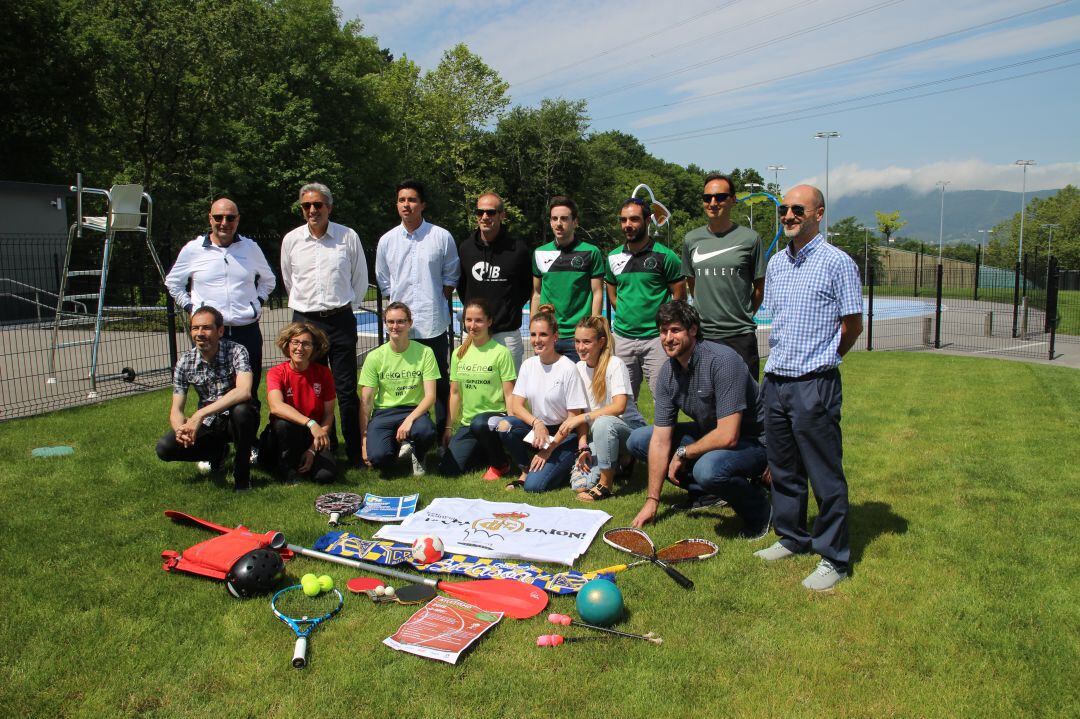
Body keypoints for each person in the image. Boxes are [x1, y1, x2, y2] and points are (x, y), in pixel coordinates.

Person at [755, 184, 863, 592]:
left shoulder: (837, 263)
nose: (788, 215)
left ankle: (834, 558)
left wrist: (829, 358)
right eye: (784, 209)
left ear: (819, 214)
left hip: (814, 382)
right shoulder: (778, 264)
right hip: (777, 380)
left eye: (797, 209)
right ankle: (792, 536)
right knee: (783, 469)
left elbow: (853, 324)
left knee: (824, 473)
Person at [628, 301, 770, 540]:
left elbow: (728, 435)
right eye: (663, 331)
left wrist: (684, 452)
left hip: (756, 441)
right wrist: (652, 500)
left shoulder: (722, 361)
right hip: (714, 434)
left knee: (708, 469)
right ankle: (708, 494)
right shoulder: (668, 374)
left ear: (693, 330)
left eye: (675, 330)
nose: (668, 338)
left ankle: (762, 512)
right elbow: (661, 440)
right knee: (639, 440)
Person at [280, 182, 368, 465]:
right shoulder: (291, 240)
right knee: (308, 389)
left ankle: (354, 453)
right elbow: (288, 280)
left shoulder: (347, 237)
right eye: (307, 205)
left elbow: (359, 279)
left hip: (340, 320)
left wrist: (345, 308)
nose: (313, 210)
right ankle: (315, 448)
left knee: (345, 391)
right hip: (306, 322)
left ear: (329, 207)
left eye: (318, 205)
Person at [165, 197, 275, 394]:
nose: (224, 223)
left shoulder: (250, 248)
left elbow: (269, 280)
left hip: (246, 330)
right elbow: (173, 282)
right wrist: (193, 309)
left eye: (230, 218)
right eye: (219, 217)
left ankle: (247, 424)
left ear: (238, 220)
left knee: (248, 392)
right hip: (211, 333)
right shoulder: (193, 249)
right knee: (212, 392)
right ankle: (210, 424)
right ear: (210, 219)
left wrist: (256, 303)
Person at [375, 179, 460, 436]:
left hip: (432, 323)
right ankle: (406, 434)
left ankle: (442, 434)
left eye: (412, 200)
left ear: (422, 204)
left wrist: (433, 299)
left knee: (439, 381)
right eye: (402, 200)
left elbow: (450, 277)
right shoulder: (387, 241)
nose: (406, 205)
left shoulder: (441, 237)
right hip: (401, 328)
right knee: (402, 382)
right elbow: (385, 282)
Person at [155, 306, 257, 491]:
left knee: (242, 411)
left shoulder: (236, 351)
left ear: (220, 330)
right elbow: (176, 409)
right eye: (195, 328)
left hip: (237, 420)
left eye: (206, 328)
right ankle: (217, 452)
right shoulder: (185, 362)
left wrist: (200, 414)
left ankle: (242, 474)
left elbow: (244, 391)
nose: (200, 333)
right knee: (165, 448)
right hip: (210, 424)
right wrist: (181, 430)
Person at [681, 173, 767, 377]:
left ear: (733, 200)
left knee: (745, 403)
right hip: (703, 336)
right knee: (705, 404)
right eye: (707, 198)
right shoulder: (691, 240)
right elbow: (692, 284)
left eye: (720, 197)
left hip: (740, 336)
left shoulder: (750, 239)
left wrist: (740, 315)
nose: (713, 203)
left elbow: (759, 289)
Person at [496, 304, 589, 492]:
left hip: (565, 435)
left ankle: (562, 465)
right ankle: (525, 468)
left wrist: (548, 450)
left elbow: (573, 419)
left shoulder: (568, 368)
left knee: (534, 487)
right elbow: (516, 405)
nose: (537, 340)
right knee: (504, 425)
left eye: (543, 335)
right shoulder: (528, 365)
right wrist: (537, 423)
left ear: (555, 337)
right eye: (533, 335)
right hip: (540, 431)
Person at [553, 316, 645, 502]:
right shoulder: (577, 368)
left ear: (601, 342)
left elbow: (619, 406)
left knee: (603, 423)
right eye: (577, 341)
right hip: (600, 434)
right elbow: (579, 412)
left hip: (631, 430)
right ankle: (620, 463)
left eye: (586, 342)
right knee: (580, 485)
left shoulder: (615, 364)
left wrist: (583, 418)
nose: (580, 347)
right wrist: (583, 445)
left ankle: (606, 484)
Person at [605, 197, 685, 399]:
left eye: (634, 219)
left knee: (664, 399)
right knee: (623, 403)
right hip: (622, 340)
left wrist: (665, 326)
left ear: (648, 220)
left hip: (656, 340)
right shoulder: (613, 258)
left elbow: (679, 295)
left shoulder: (666, 257)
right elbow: (613, 296)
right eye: (623, 220)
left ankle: (663, 433)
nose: (627, 225)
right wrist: (627, 314)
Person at [439, 298, 517, 478]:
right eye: (469, 320)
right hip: (469, 424)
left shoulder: (501, 353)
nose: (473, 325)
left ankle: (501, 464)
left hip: (495, 420)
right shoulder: (459, 354)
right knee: (448, 470)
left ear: (489, 321)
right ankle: (485, 453)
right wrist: (449, 428)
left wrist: (512, 426)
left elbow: (509, 393)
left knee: (481, 422)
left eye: (478, 320)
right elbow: (455, 394)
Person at [358, 302, 439, 476]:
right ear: (385, 324)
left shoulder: (425, 353)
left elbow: (430, 396)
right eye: (391, 322)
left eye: (401, 321)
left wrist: (409, 420)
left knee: (426, 432)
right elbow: (366, 402)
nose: (396, 326)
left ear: (410, 323)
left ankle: (418, 453)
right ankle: (398, 446)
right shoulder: (375, 357)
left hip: (414, 410)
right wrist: (364, 440)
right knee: (379, 459)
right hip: (384, 413)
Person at [455, 192, 532, 370]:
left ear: (502, 215)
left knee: (510, 393)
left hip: (506, 334)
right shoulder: (466, 248)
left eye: (490, 212)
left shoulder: (517, 249)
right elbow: (462, 287)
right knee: (476, 388)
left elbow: (526, 287)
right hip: (476, 334)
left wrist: (506, 310)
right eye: (479, 212)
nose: (484, 217)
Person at [531, 196, 604, 362]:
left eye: (564, 219)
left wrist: (593, 328)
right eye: (554, 218)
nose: (558, 223)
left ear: (575, 222)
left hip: (579, 337)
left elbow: (597, 292)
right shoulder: (539, 253)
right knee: (548, 387)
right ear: (550, 222)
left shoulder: (591, 252)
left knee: (582, 387)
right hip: (549, 336)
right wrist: (534, 327)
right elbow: (536, 293)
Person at [264, 322, 337, 484]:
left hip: (313, 435)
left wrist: (312, 450)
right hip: (287, 433)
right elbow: (276, 407)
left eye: (306, 344)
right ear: (287, 345)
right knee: (283, 424)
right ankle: (287, 471)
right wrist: (311, 423)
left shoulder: (323, 373)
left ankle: (307, 457)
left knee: (324, 477)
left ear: (314, 348)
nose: (300, 348)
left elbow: (328, 414)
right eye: (295, 342)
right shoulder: (276, 373)